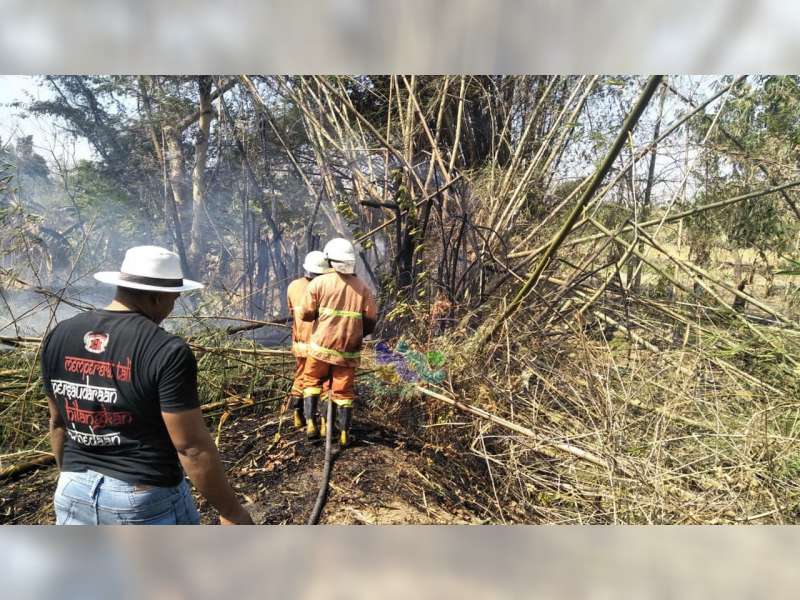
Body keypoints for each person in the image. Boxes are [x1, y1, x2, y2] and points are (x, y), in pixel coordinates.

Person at [41, 245, 253, 525]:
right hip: (141, 498)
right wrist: (231, 512)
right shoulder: (166, 349)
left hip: (72, 487)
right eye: (172, 300)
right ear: (156, 297)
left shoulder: (59, 334)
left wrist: (70, 475)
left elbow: (58, 423)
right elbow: (190, 447)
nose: (171, 307)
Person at [299, 238, 378, 446]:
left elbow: (306, 314)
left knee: (311, 381)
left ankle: (311, 424)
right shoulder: (362, 287)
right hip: (348, 351)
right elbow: (370, 321)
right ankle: (343, 434)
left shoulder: (318, 282)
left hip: (321, 348)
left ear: (329, 259)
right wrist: (358, 335)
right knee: (343, 392)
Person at [286, 250, 329, 429]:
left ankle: (298, 414)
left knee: (301, 376)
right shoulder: (324, 287)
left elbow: (292, 311)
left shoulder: (293, 286)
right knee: (325, 379)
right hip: (319, 344)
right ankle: (325, 421)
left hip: (300, 343)